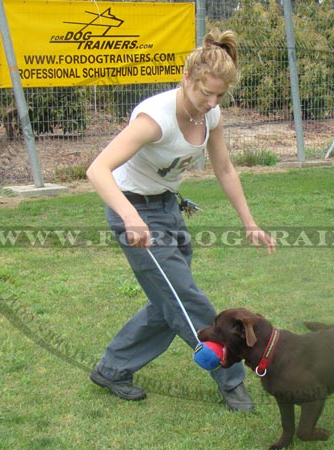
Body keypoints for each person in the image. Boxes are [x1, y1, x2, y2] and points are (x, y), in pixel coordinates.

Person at [86, 29, 276, 411]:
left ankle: (113, 367)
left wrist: (249, 222)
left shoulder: (212, 114)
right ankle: (232, 381)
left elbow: (224, 168)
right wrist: (129, 217)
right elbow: (97, 169)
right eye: (204, 92)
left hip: (168, 208)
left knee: (167, 300)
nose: (211, 101)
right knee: (186, 299)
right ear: (186, 78)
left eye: (219, 95)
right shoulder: (154, 119)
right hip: (134, 211)